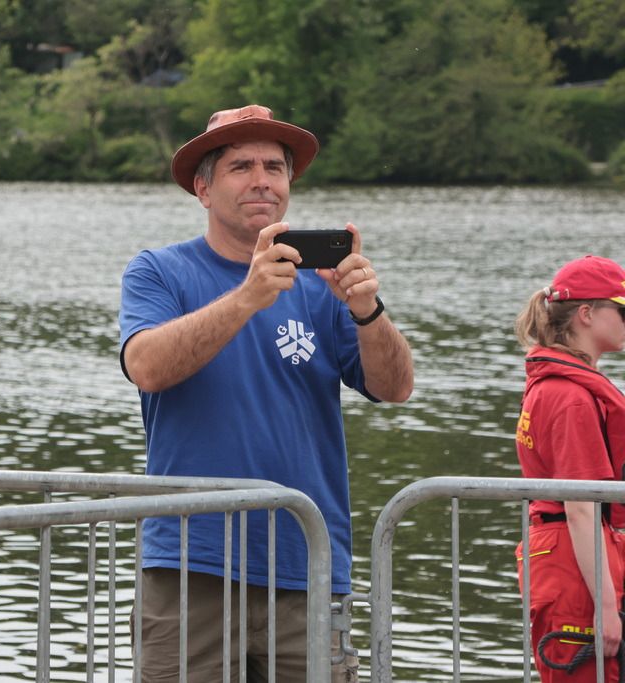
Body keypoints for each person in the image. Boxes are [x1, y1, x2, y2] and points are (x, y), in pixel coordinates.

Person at [118, 104, 414, 681]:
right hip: (191, 565)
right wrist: (248, 296)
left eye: (275, 167)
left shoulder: (322, 284)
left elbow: (395, 387)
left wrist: (367, 310)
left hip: (307, 562)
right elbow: (147, 367)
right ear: (203, 189)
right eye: (241, 167)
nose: (262, 181)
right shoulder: (157, 271)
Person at [514, 255, 625, 682]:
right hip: (574, 563)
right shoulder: (570, 397)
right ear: (586, 314)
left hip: (568, 554)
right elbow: (581, 506)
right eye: (622, 310)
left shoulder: (556, 385)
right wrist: (606, 607)